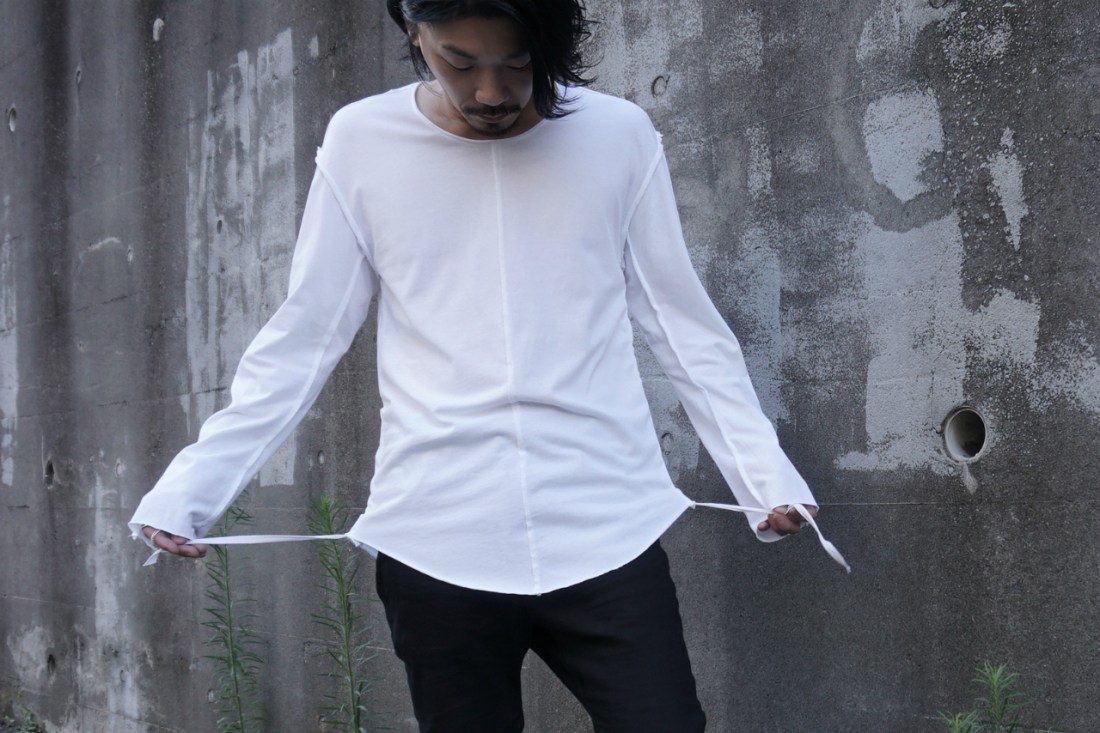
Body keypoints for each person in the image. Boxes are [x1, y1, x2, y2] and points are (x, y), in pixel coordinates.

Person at [131, 1, 835, 730]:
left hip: (605, 531)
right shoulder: (361, 140)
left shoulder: (616, 134)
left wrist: (764, 476)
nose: (492, 92)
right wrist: (191, 487)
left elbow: (681, 323)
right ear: (415, 34)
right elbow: (305, 335)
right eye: (459, 62)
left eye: (518, 63)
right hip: (436, 542)